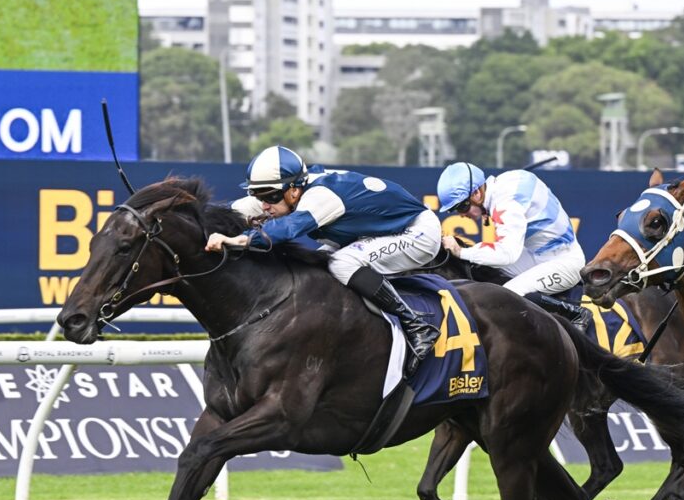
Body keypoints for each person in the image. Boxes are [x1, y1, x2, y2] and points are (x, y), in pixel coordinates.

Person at [205, 145, 441, 374]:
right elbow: (230, 210)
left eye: (269, 196)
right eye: (258, 194)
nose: (264, 205)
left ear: (294, 190)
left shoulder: (322, 196)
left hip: (417, 233)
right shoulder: (286, 191)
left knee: (342, 263)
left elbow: (286, 230)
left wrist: (238, 240)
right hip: (373, 233)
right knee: (317, 265)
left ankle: (415, 324)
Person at [435, 162, 591, 329]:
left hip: (566, 264)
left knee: (507, 294)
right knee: (484, 272)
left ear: (476, 193)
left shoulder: (506, 202)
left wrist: (461, 252)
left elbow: (508, 253)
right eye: (456, 210)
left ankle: (575, 313)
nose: (462, 215)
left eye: (462, 206)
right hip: (539, 255)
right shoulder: (502, 186)